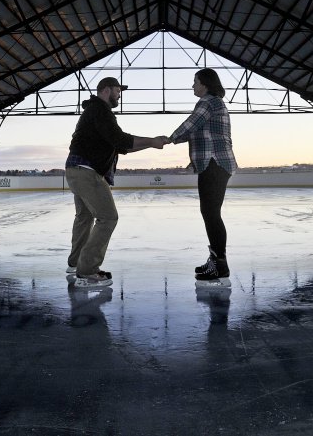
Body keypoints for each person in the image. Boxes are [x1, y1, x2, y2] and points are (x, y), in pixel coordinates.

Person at [65, 76, 165, 288]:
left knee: (84, 217)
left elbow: (120, 147)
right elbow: (120, 139)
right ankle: (87, 271)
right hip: (87, 171)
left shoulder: (94, 111)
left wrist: (151, 144)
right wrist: (151, 141)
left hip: (76, 170)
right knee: (108, 217)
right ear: (106, 90)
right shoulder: (100, 110)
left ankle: (75, 264)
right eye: (118, 90)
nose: (120, 94)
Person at [165, 68, 238, 281]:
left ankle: (219, 265)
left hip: (215, 164)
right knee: (210, 213)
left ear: (204, 83)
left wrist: (169, 139)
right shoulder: (213, 103)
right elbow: (199, 132)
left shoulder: (208, 102)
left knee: (211, 213)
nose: (192, 85)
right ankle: (216, 260)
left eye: (195, 81)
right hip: (214, 164)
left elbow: (191, 124)